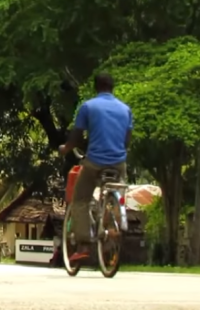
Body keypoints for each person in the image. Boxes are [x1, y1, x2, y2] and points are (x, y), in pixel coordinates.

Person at [59, 72, 132, 263]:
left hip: (95, 162)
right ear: (112, 87)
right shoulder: (125, 109)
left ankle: (83, 245)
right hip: (118, 162)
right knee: (118, 190)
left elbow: (76, 136)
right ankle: (115, 219)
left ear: (96, 87)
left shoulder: (88, 107)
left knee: (80, 200)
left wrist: (66, 148)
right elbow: (126, 140)